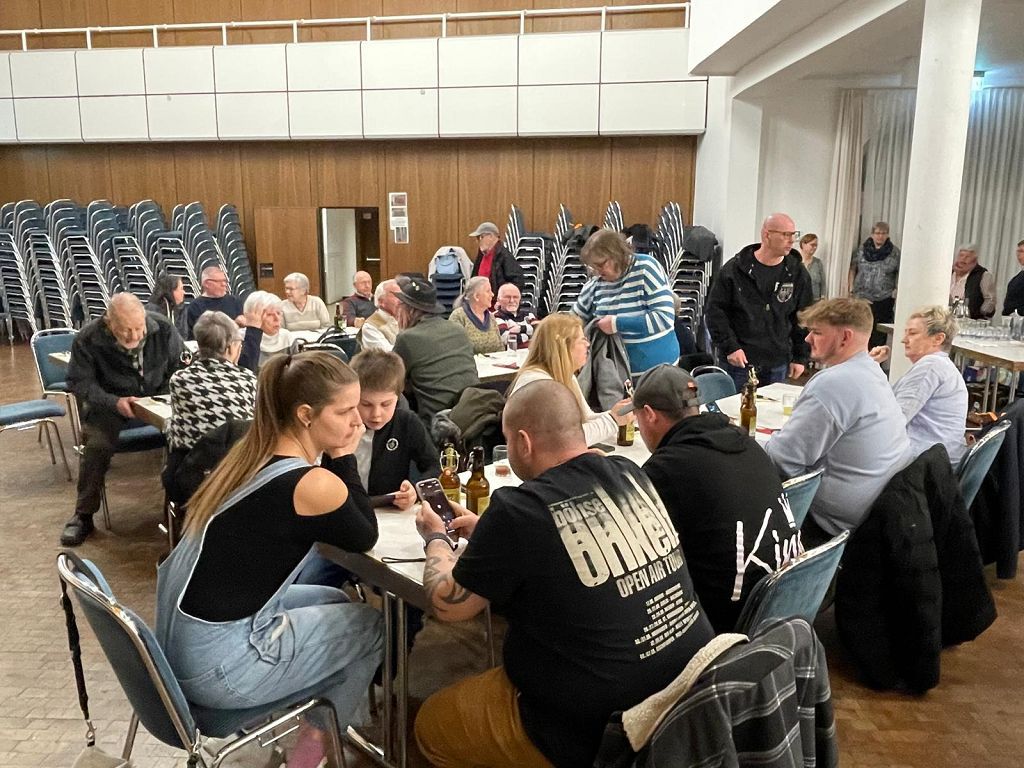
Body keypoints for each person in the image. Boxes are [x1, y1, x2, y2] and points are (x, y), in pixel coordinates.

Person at [413, 380, 715, 768]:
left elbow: (448, 605)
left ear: (523, 442)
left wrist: (436, 538)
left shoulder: (518, 509)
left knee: (431, 725)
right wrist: (489, 533)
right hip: (689, 693)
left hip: (597, 731)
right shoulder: (631, 474)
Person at [155, 351, 383, 768]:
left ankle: (314, 717)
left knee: (334, 600)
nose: (359, 422)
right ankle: (307, 756)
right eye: (345, 411)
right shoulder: (310, 482)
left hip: (181, 648)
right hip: (220, 667)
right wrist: (344, 457)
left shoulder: (249, 454)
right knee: (371, 626)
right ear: (305, 415)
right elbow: (364, 533)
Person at [633, 364, 801, 633]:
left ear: (649, 414)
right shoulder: (747, 443)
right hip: (784, 604)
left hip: (724, 622)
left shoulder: (666, 469)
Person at [765, 298, 912, 546]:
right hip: (880, 507)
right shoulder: (873, 372)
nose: (807, 339)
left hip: (833, 524)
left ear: (845, 337)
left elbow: (782, 459)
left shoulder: (833, 383)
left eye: (817, 332)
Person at [62, 293, 184, 546]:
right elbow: (79, 382)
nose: (134, 336)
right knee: (96, 445)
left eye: (139, 328)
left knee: (186, 438)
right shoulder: (88, 338)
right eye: (126, 330)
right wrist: (113, 402)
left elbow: (180, 367)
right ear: (109, 323)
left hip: (158, 398)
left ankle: (178, 510)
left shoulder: (162, 328)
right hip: (111, 403)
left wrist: (164, 394)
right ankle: (83, 515)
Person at [705, 213, 813, 391]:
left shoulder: (797, 272)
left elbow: (804, 316)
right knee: (736, 407)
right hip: (740, 360)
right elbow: (715, 312)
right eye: (785, 234)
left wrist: (800, 357)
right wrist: (730, 347)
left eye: (794, 234)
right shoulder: (734, 269)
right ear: (767, 234)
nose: (791, 240)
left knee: (772, 408)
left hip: (778, 361)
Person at [163, 311, 257, 503]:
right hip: (238, 479)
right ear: (230, 347)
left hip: (191, 479)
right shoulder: (248, 379)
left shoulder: (180, 380)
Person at [508, 313, 632, 447]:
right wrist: (613, 420)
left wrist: (621, 412)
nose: (588, 344)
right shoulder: (539, 383)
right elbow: (566, 438)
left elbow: (586, 419)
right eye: (582, 340)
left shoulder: (566, 376)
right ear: (563, 345)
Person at [868, 306, 969, 467]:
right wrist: (873, 368)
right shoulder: (939, 365)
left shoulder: (931, 366)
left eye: (912, 333)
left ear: (938, 339)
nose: (904, 340)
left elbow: (892, 421)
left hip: (928, 468)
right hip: (936, 460)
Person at [573, 228, 680, 376]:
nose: (597, 272)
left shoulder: (646, 268)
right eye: (593, 267)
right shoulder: (595, 284)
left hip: (658, 372)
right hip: (617, 375)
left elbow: (664, 319)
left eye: (601, 265)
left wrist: (616, 324)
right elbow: (575, 318)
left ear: (617, 254)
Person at [349, 348, 440, 508]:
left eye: (386, 404)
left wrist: (415, 490)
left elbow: (434, 467)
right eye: (366, 404)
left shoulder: (406, 423)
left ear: (398, 397)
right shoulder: (341, 425)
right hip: (347, 509)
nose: (376, 414)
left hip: (391, 509)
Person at [392, 276, 480, 424]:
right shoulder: (458, 329)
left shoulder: (407, 338)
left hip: (436, 423)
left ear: (408, 310)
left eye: (399, 305)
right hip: (473, 414)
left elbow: (391, 380)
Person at [848, 221, 900, 348]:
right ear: (872, 234)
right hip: (861, 297)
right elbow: (853, 268)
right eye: (877, 233)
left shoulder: (895, 253)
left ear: (887, 235)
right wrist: (851, 288)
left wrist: (896, 290)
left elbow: (899, 272)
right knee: (859, 331)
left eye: (883, 233)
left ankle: (876, 358)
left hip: (883, 299)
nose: (880, 236)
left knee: (878, 335)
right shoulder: (861, 250)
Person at [185, 266, 244, 339]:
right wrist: (233, 324)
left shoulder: (235, 301)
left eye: (225, 281)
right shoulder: (195, 306)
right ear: (207, 284)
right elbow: (200, 334)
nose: (224, 284)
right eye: (220, 281)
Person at [448, 276, 504, 354]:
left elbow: (500, 348)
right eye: (488, 291)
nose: (492, 294)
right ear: (476, 296)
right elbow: (454, 350)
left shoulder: (491, 316)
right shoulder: (458, 316)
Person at [469, 221, 525, 294]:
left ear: (491, 236)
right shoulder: (481, 255)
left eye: (480, 237)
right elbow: (474, 278)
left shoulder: (505, 256)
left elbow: (517, 281)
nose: (477, 241)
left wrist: (503, 296)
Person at [242, 290, 292, 368]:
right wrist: (253, 329)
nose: (277, 319)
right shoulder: (240, 339)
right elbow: (248, 369)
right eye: (269, 314)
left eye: (278, 313)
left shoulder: (287, 337)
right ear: (253, 316)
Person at [950, 244, 996, 319]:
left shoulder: (983, 275)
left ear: (974, 261)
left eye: (967, 257)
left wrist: (979, 315)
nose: (962, 260)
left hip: (969, 320)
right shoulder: (948, 272)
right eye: (961, 255)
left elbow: (990, 300)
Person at [358, 279, 402, 352]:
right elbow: (388, 354)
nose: (401, 300)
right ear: (381, 301)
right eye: (396, 296)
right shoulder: (370, 327)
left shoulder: (406, 319)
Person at [144, 272, 189, 338]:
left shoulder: (181, 309)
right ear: (171, 291)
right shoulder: (151, 309)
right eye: (181, 289)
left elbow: (184, 334)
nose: (184, 292)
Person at [494, 282, 537, 349]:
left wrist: (521, 328)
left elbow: (540, 331)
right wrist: (528, 336)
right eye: (507, 297)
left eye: (515, 297)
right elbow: (506, 338)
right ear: (498, 299)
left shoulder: (528, 315)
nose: (512, 300)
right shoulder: (495, 317)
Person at [800, 232, 826, 302]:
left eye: (816, 245)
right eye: (812, 245)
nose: (815, 248)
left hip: (815, 301)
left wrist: (823, 298)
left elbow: (823, 283)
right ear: (803, 244)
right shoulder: (795, 262)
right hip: (799, 301)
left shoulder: (818, 262)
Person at [1002, 239, 1024, 317]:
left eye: (1021, 251)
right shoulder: (1020, 274)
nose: (1018, 254)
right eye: (1017, 251)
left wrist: (1017, 313)